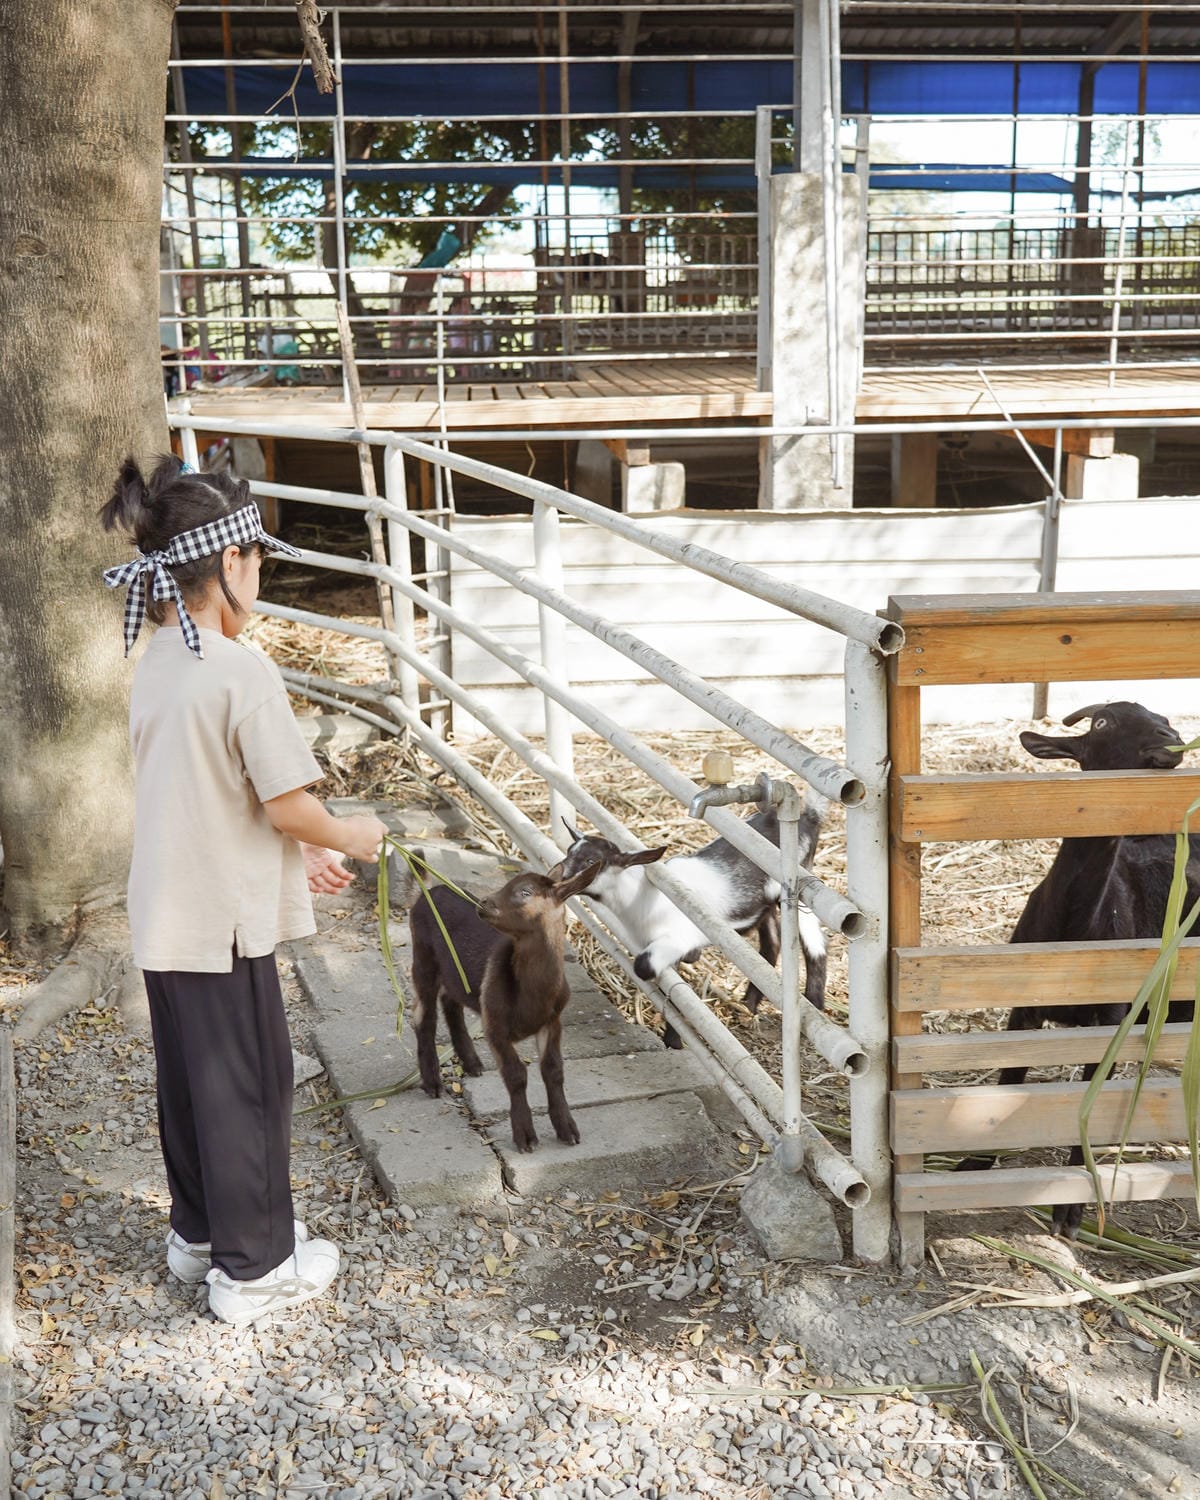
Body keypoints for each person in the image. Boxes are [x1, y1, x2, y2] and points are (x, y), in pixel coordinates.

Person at [100, 454, 388, 1326]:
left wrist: (291, 857)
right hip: (221, 924)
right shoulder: (237, 669)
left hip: (166, 909)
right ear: (229, 564)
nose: (260, 572)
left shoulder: (157, 660)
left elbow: (205, 794)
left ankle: (199, 1234)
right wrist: (350, 834)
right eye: (258, 556)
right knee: (252, 1085)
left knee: (190, 1081)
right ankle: (255, 1269)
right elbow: (288, 800)